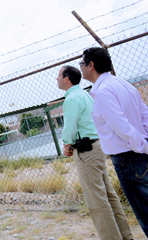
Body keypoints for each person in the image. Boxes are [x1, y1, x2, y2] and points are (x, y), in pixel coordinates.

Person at [57, 65, 132, 240]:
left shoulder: (72, 99)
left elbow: (70, 128)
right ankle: (126, 235)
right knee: (108, 195)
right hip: (98, 146)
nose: (57, 79)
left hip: (86, 150)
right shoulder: (85, 95)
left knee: (96, 200)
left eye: (58, 76)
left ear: (66, 78)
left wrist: (67, 145)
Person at [81, 46, 148, 236]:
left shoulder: (103, 92)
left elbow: (122, 127)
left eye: (82, 63)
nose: (81, 67)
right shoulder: (123, 84)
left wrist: (143, 147)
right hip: (139, 153)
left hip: (129, 158)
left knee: (144, 213)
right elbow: (145, 115)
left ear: (91, 65)